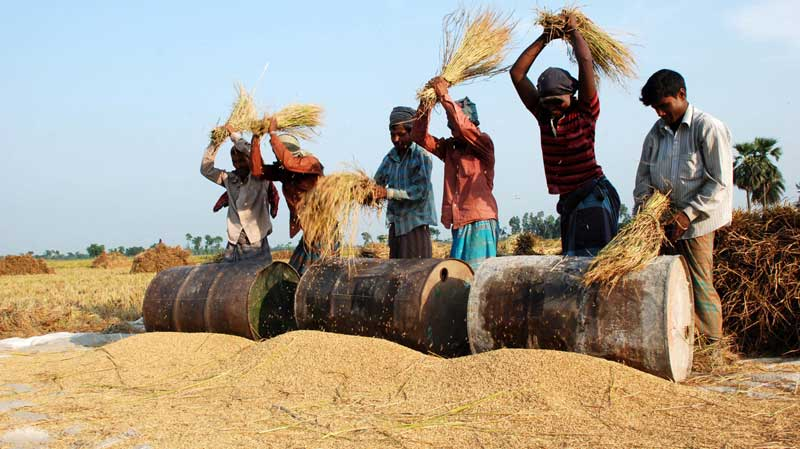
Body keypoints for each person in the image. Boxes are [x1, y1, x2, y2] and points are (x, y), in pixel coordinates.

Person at [509, 13, 620, 256]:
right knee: (571, 264)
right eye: (547, 102)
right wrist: (545, 38)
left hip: (592, 196)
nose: (552, 107)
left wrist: (573, 33)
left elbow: (585, 63)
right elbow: (517, 73)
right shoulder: (543, 116)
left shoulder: (585, 112)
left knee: (590, 263)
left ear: (572, 94)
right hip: (568, 200)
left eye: (558, 101)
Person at [634, 69, 733, 340]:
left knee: (699, 284)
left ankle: (711, 347)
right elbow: (643, 177)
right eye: (656, 109)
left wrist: (686, 216)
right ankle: (675, 343)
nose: (660, 114)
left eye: (664, 106)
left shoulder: (707, 127)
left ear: (682, 95)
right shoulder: (657, 133)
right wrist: (646, 215)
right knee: (665, 285)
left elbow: (719, 182)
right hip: (663, 222)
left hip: (697, 222)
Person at [412, 77, 499, 270]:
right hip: (459, 223)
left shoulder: (484, 145)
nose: (454, 131)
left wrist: (444, 96)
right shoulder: (450, 148)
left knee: (475, 278)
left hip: (480, 221)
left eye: (455, 126)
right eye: (451, 127)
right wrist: (426, 103)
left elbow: (463, 127)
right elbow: (418, 136)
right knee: (458, 277)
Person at [250, 117, 326, 275]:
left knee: (316, 274)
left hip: (324, 231)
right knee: (294, 273)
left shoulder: (311, 163)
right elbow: (258, 171)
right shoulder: (285, 172)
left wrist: (272, 134)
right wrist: (256, 139)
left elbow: (291, 163)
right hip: (308, 232)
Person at [372, 106, 438, 258]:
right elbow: (378, 182)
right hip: (396, 226)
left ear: (412, 132)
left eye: (401, 135)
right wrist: (368, 191)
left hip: (415, 226)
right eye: (392, 135)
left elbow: (420, 191)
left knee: (415, 273)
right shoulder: (391, 156)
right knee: (395, 273)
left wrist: (387, 193)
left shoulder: (420, 154)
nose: (396, 139)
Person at [200, 125, 273, 262]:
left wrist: (234, 136)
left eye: (242, 160)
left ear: (249, 160)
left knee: (258, 277)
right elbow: (206, 169)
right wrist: (216, 142)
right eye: (235, 162)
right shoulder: (229, 179)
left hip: (256, 239)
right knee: (230, 279)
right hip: (235, 240)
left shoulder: (260, 176)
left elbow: (253, 153)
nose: (238, 165)